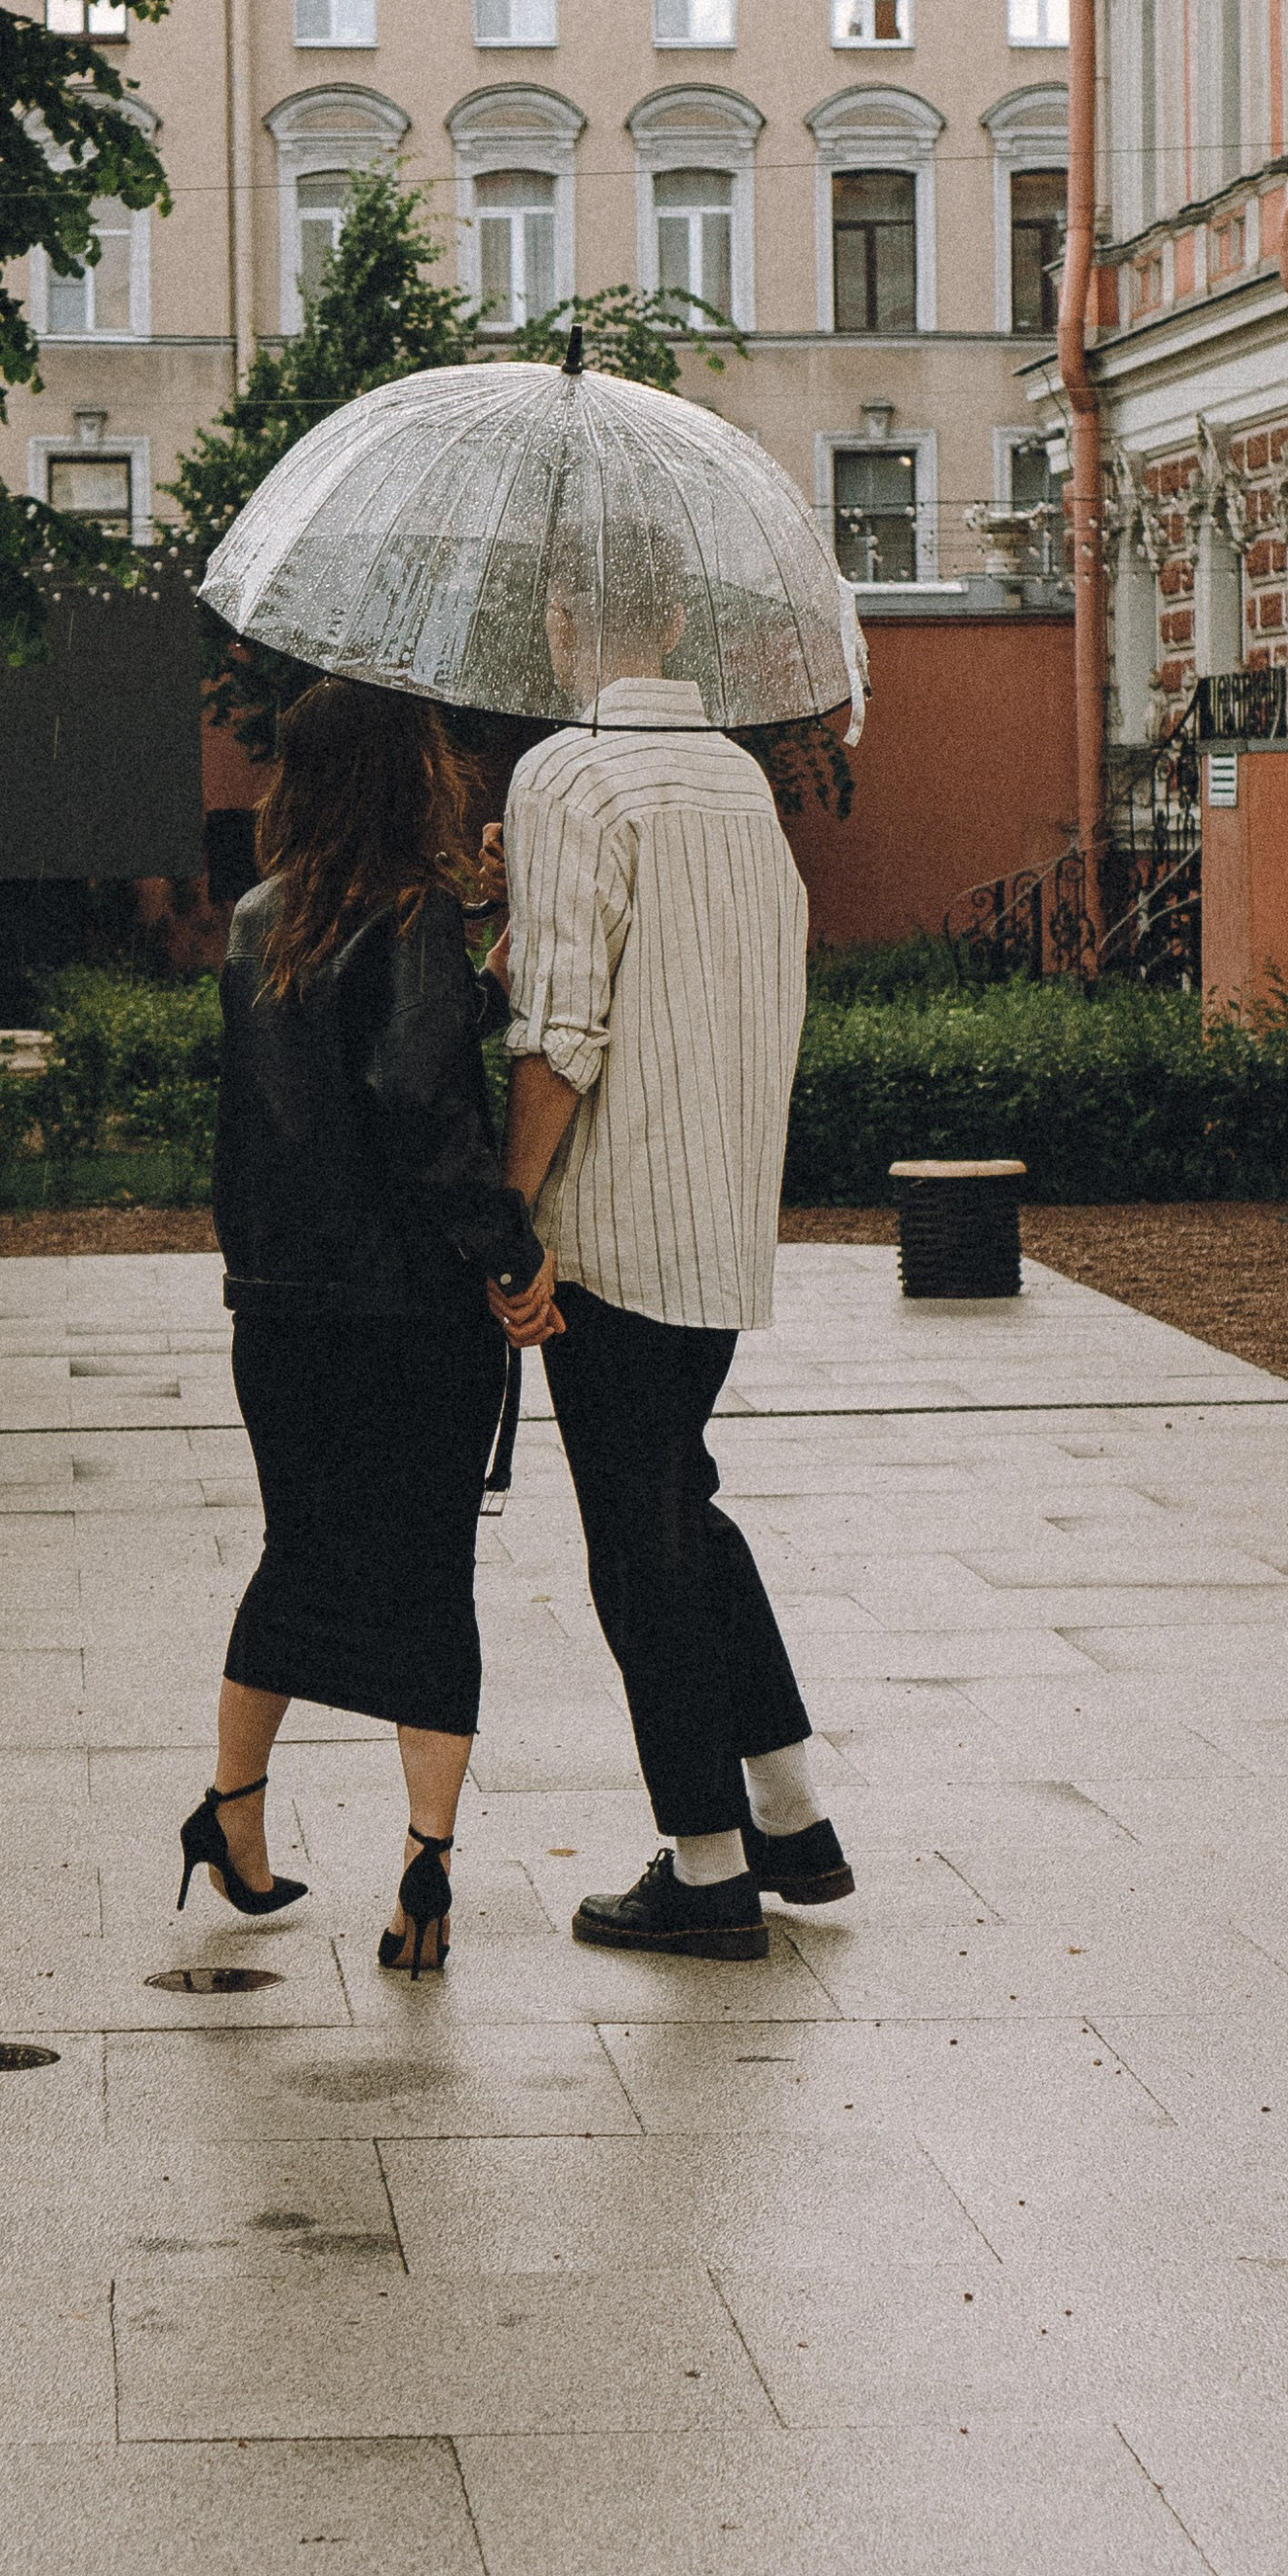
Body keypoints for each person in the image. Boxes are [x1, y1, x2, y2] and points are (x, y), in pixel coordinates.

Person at [486, 592, 852, 1961]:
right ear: (681, 615)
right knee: (682, 1506)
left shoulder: (567, 774)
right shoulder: (737, 780)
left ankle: (706, 1869)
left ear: (567, 608)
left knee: (639, 1549)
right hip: (718, 1225)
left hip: (615, 1230)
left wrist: (508, 1214)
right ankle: (791, 1814)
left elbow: (563, 1031)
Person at [189, 677, 549, 1973]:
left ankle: (231, 1813)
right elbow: (425, 1111)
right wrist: (509, 1259)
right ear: (410, 781)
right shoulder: (407, 924)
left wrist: (480, 944)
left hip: (280, 1312)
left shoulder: (256, 920)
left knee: (298, 1554)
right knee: (424, 1574)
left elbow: (284, 1111)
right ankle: (426, 1862)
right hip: (408, 1316)